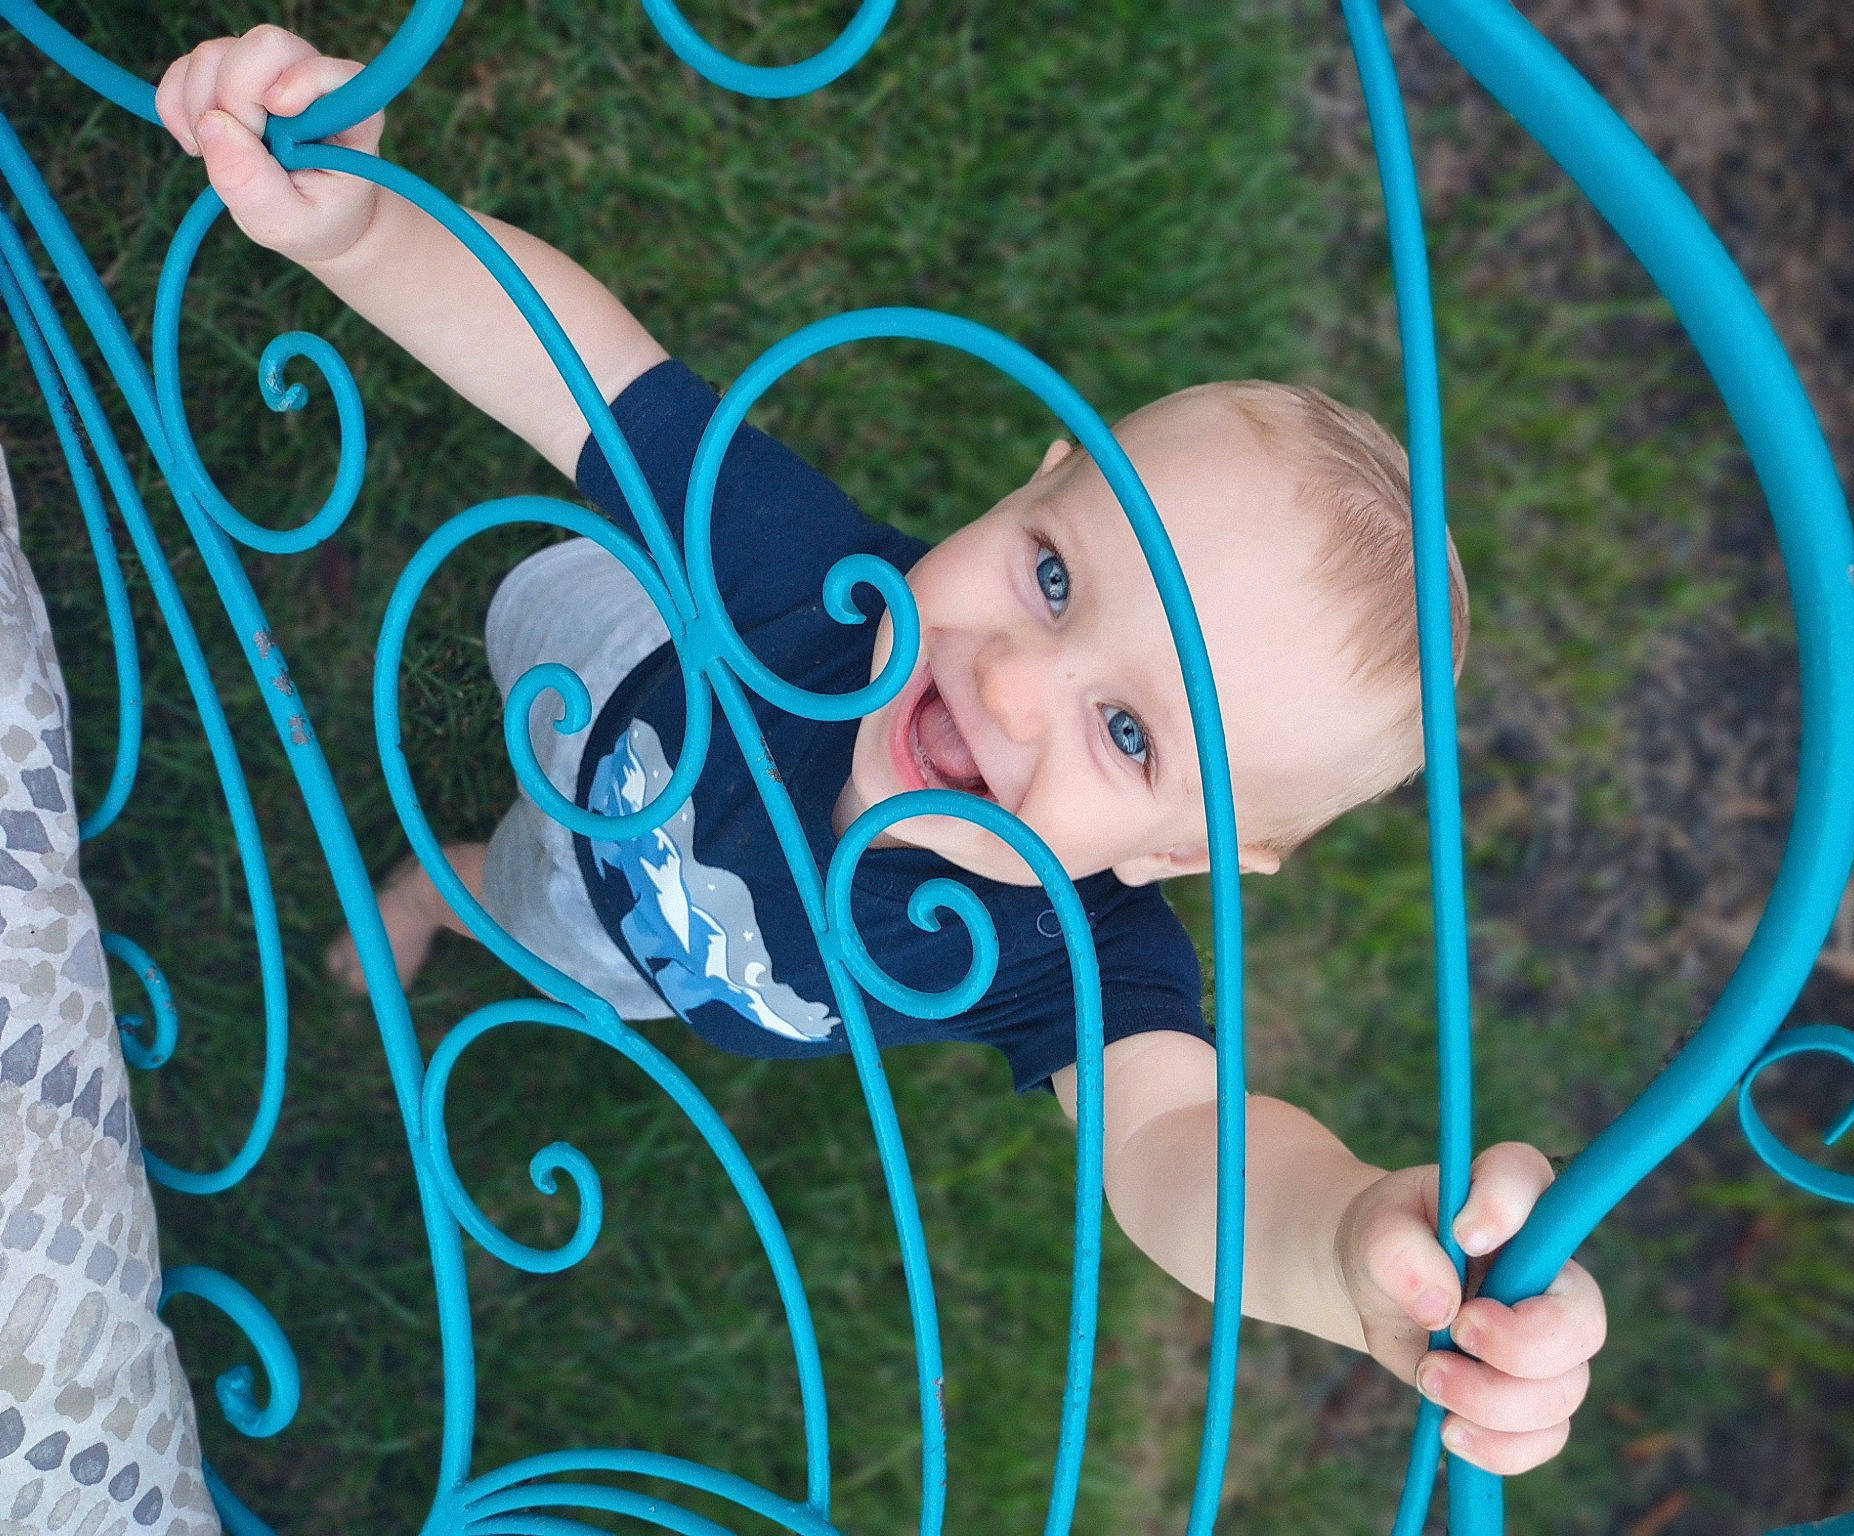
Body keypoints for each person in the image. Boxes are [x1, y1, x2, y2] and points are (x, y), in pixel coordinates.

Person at [156, 25, 1606, 1476]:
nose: (1015, 687)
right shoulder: (805, 581)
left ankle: (442, 886)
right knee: (542, 682)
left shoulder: (1075, 953)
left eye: (1126, 733)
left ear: (1191, 855)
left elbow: (1185, 1155)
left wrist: (1351, 1250)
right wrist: (360, 222)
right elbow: (574, 366)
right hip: (604, 698)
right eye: (1052, 576)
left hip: (656, 959)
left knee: (545, 919)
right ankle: (479, 822)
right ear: (1034, 487)